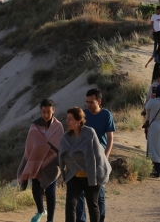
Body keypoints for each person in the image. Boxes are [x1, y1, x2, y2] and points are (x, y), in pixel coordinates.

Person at [59, 107, 111, 222]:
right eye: (67, 119)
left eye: (70, 119)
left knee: (92, 205)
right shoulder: (66, 137)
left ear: (78, 121)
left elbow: (98, 155)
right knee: (70, 205)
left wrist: (100, 173)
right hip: (74, 176)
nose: (67, 122)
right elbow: (63, 156)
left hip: (90, 175)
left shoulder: (89, 132)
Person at [18, 99, 64, 222]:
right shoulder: (34, 125)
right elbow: (30, 146)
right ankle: (41, 211)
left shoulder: (58, 127)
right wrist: (43, 146)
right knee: (35, 191)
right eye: (43, 112)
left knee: (50, 192)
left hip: (52, 165)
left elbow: (59, 146)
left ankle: (50, 219)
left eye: (48, 112)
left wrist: (44, 145)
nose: (46, 115)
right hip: (36, 162)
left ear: (53, 110)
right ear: (41, 111)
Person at [76, 90, 115, 222]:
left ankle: (100, 219)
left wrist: (105, 157)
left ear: (99, 101)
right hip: (83, 159)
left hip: (99, 159)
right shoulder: (83, 114)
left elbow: (110, 138)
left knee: (99, 194)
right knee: (80, 193)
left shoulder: (106, 115)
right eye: (86, 102)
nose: (88, 105)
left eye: (91, 102)